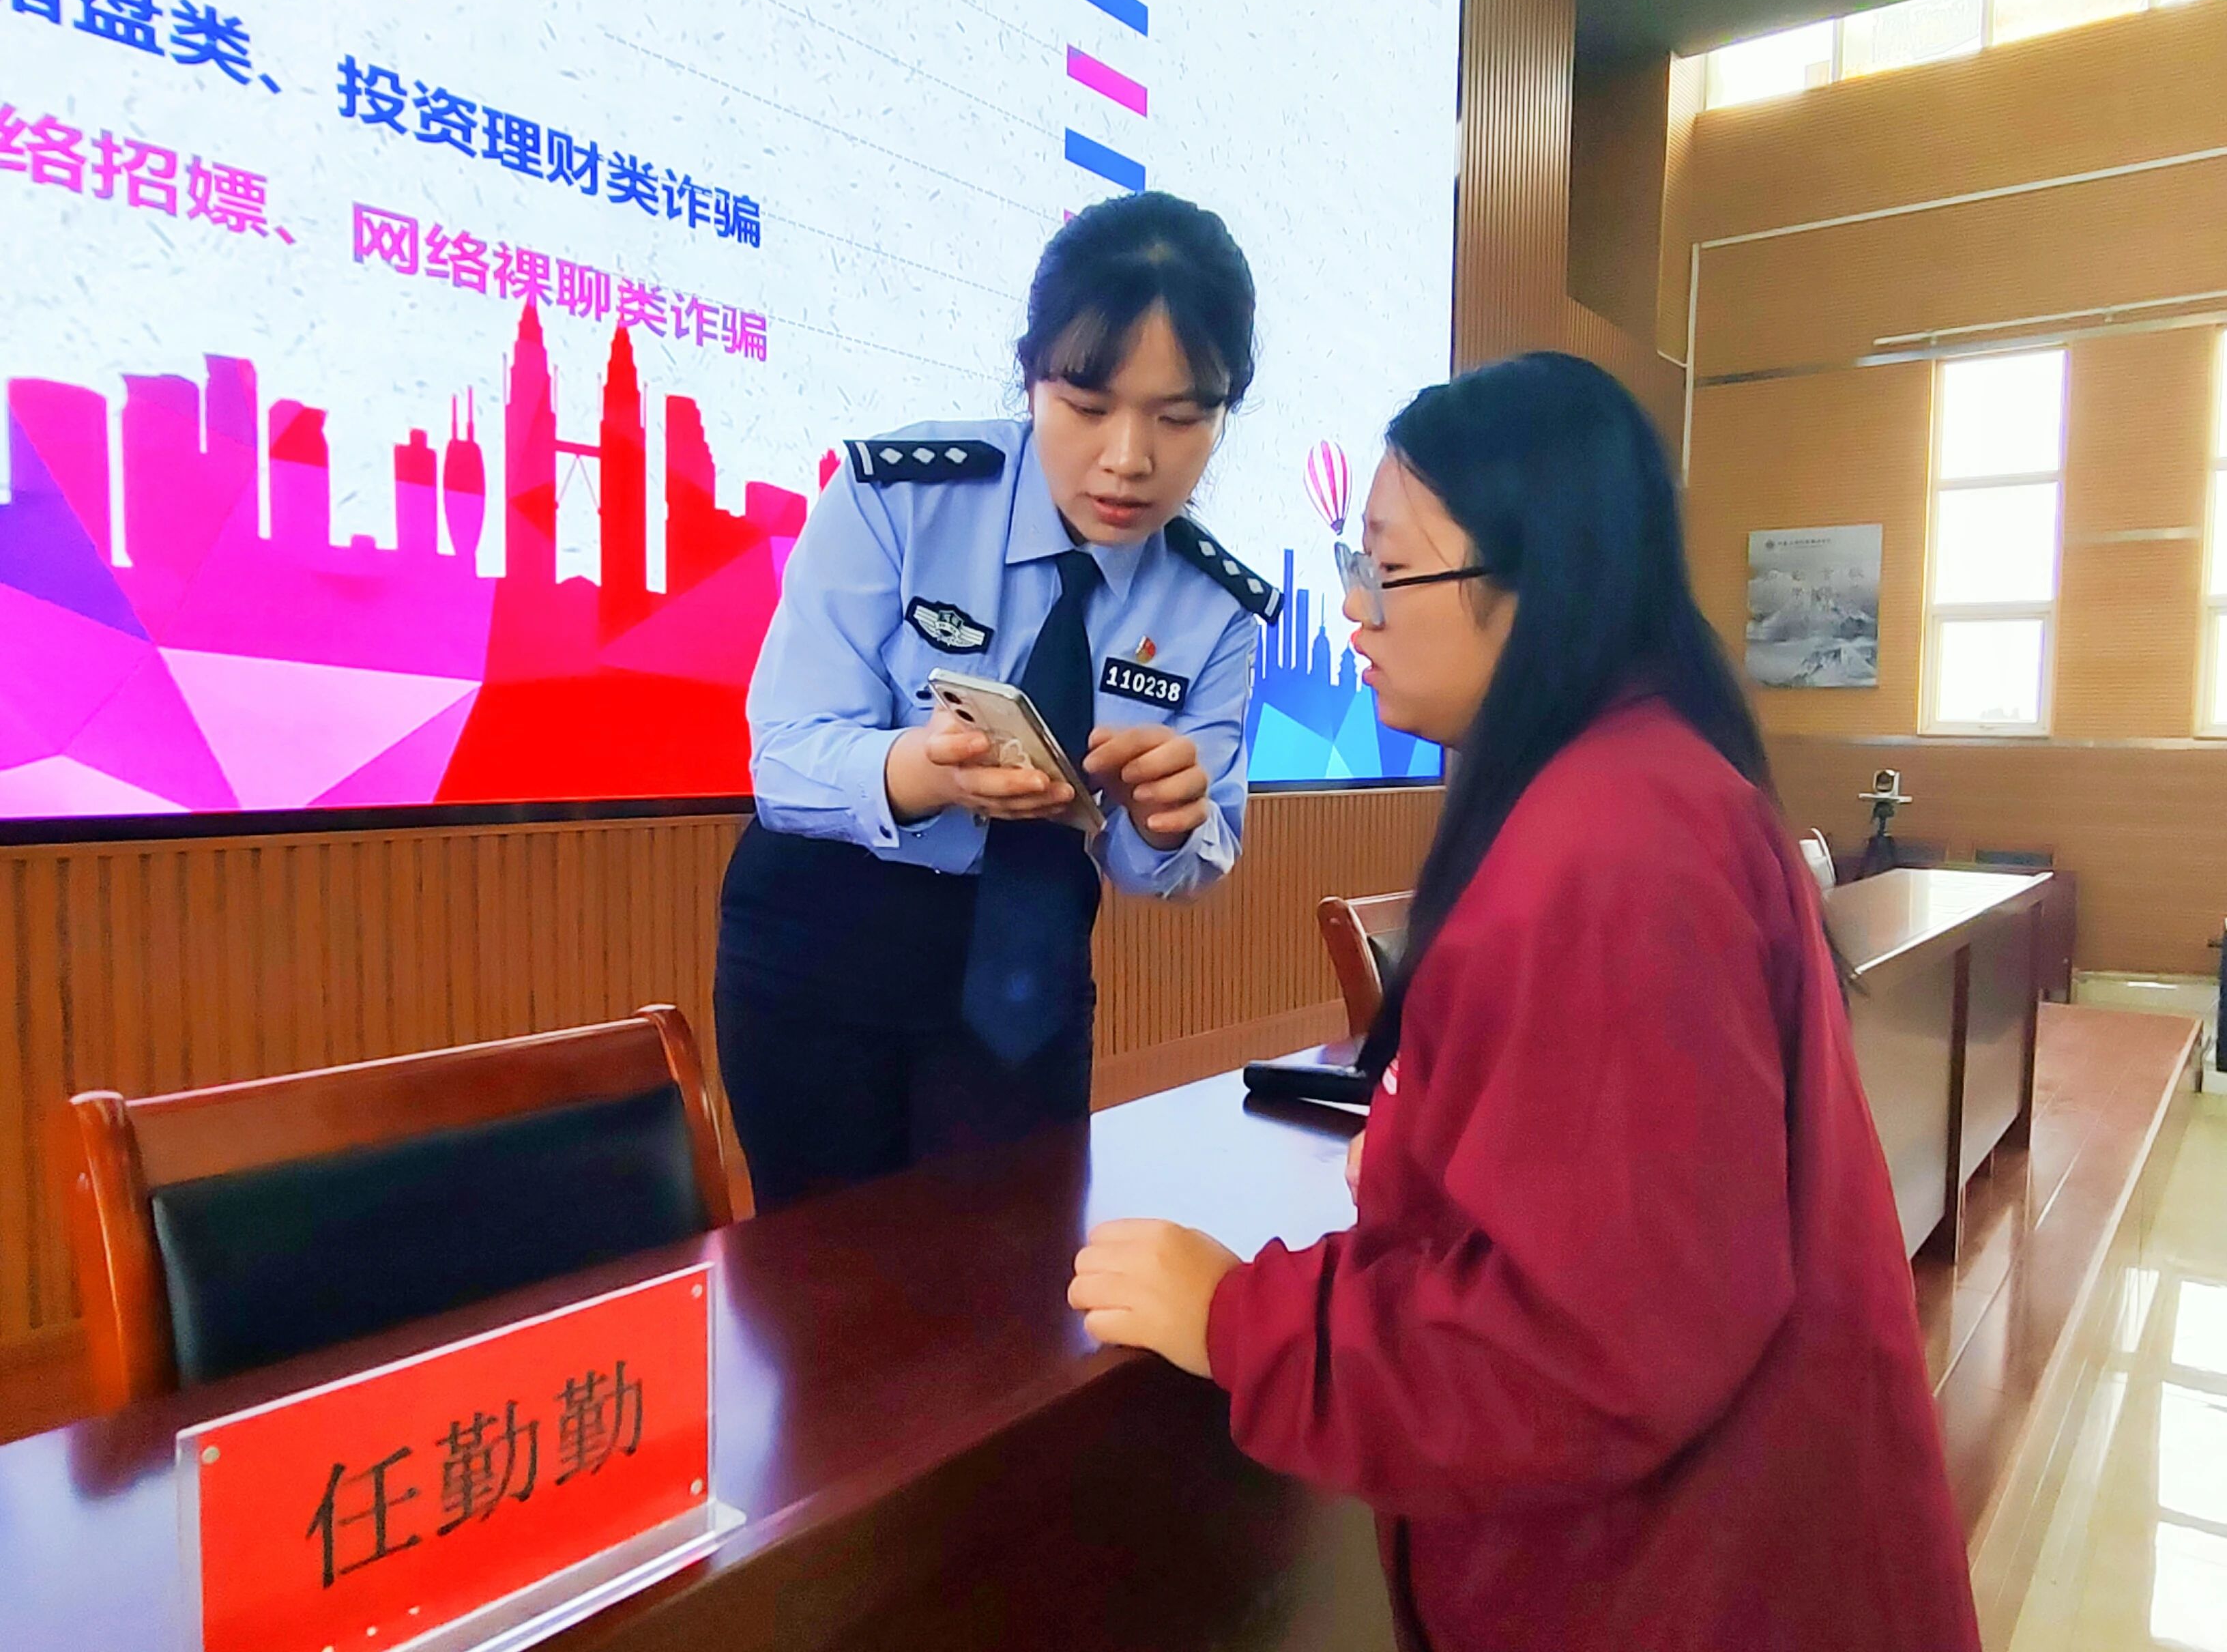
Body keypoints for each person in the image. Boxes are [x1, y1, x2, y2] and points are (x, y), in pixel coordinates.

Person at [1068, 354, 1981, 1651]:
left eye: (1388, 566)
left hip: (1680, 1586)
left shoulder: (1613, 846)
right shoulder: (1639, 780)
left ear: (1535, 580)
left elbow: (1596, 1349)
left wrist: (1240, 1321)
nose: (1353, 606)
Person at [718, 191, 1280, 1213]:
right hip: (818, 946)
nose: (1129, 459)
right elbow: (784, 758)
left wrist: (1166, 823)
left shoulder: (1217, 605)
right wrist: (925, 771)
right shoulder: (900, 496)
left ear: (1225, 410)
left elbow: (1183, 861)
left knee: (1011, 1271)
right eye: (1088, 405)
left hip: (1027, 965)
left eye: (1180, 417)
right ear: (1030, 376)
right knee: (818, 1276)